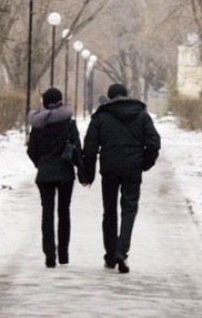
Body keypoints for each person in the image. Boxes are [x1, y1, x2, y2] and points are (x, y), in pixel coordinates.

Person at [82, 83, 161, 273]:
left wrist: (88, 174)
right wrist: (144, 163)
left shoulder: (101, 117)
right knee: (129, 209)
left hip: (109, 168)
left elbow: (90, 148)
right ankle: (121, 251)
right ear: (126, 95)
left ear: (109, 97)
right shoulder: (141, 115)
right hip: (132, 169)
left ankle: (110, 255)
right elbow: (154, 143)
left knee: (109, 211)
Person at [27, 87, 82, 268]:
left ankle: (49, 256)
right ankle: (64, 255)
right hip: (65, 173)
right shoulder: (69, 124)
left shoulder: (37, 126)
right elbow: (77, 150)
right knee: (64, 212)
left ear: (44, 102)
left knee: (47, 213)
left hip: (44, 175)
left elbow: (31, 150)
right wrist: (82, 170)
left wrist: (41, 164)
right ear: (60, 101)